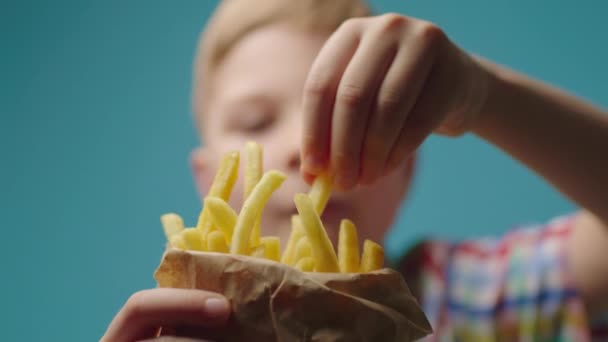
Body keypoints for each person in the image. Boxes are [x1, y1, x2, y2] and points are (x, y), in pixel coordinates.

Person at [102, 0, 608, 341]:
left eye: (356, 114)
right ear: (206, 178)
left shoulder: (469, 295)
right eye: (256, 121)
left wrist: (485, 95)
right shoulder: (181, 331)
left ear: (405, 172)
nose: (305, 147)